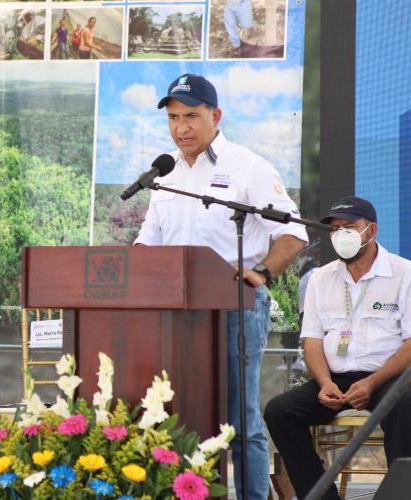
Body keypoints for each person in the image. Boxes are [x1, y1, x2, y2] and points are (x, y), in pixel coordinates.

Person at [134, 73, 308, 500]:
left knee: (239, 416)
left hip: (235, 307)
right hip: (174, 314)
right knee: (178, 411)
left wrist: (262, 273)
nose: (181, 128)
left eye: (191, 116)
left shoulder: (248, 166)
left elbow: (294, 233)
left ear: (216, 115)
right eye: (173, 118)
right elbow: (148, 242)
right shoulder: (165, 175)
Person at [265, 197, 411, 500]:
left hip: (386, 378)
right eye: (335, 228)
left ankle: (402, 494)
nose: (340, 234)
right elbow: (313, 340)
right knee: (279, 411)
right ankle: (321, 497)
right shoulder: (321, 277)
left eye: (350, 227)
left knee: (403, 405)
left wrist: (372, 382)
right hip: (336, 379)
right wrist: (324, 383)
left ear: (371, 230)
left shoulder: (403, 273)